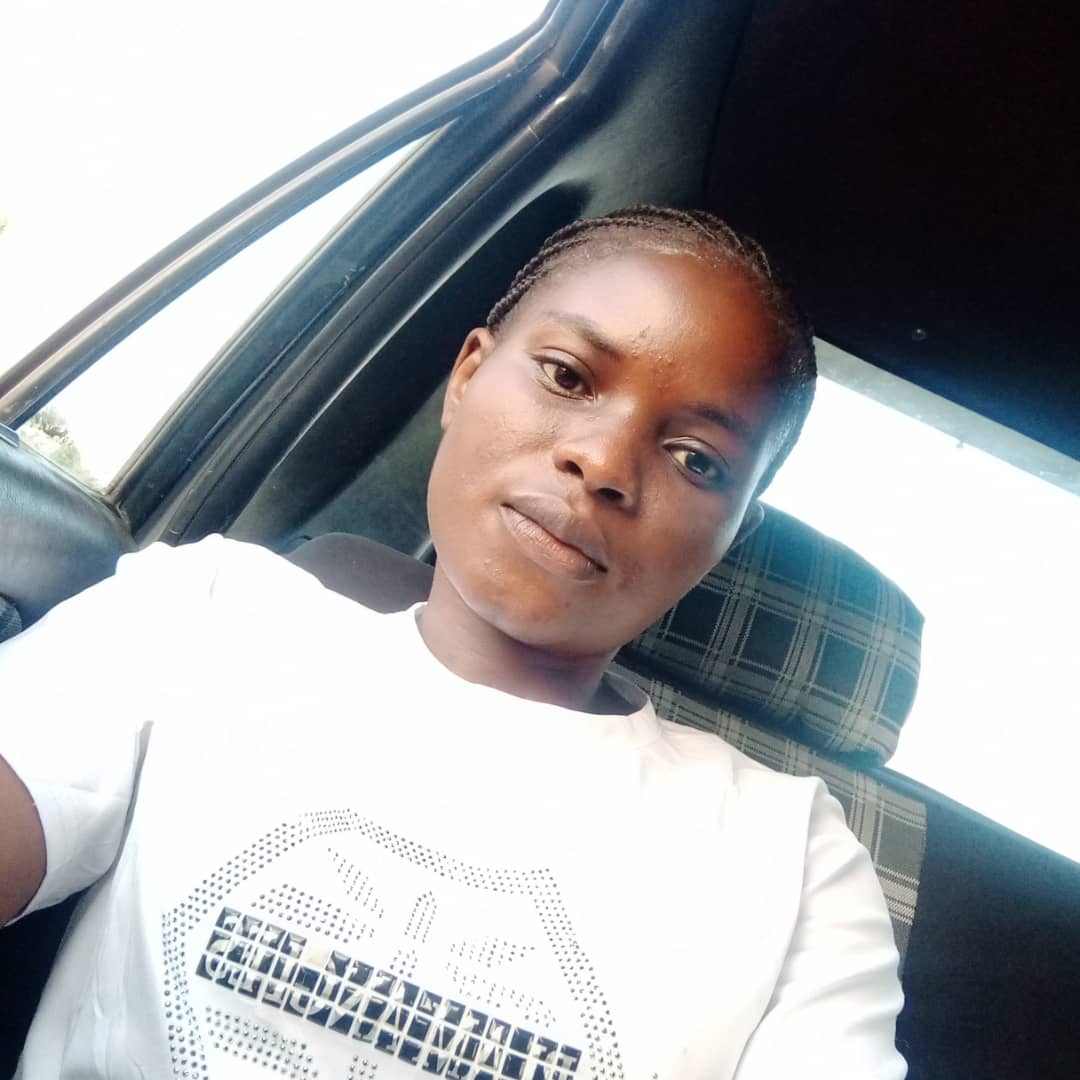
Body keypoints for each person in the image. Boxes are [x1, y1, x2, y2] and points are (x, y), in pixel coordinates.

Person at [0, 206, 905, 1078]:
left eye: (697, 459)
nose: (602, 462)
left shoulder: (797, 862)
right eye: (567, 377)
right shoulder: (207, 612)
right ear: (468, 375)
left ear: (731, 537)